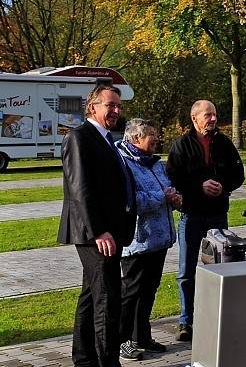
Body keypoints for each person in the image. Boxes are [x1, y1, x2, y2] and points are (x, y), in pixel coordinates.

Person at [58, 85, 136, 367]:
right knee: (107, 299)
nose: (116, 111)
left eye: (118, 106)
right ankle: (107, 362)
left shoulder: (106, 139)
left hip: (108, 231)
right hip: (95, 234)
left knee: (91, 296)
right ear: (93, 107)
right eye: (110, 105)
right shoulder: (80, 137)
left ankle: (84, 359)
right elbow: (80, 189)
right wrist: (98, 230)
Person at [166, 100, 245, 342]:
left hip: (217, 214)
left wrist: (224, 186)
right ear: (194, 119)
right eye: (207, 115)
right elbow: (172, 176)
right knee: (186, 270)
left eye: (215, 114)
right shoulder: (181, 145)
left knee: (221, 267)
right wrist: (198, 186)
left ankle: (219, 317)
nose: (213, 119)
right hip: (191, 214)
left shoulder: (224, 143)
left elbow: (238, 174)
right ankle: (185, 321)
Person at [115, 119, 183, 360]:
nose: (156, 139)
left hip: (159, 238)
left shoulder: (154, 162)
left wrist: (175, 198)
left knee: (149, 290)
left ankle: (142, 336)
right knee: (131, 292)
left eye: (156, 134)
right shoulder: (122, 162)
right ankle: (121, 341)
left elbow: (166, 189)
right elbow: (130, 201)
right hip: (137, 241)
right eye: (151, 136)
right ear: (135, 139)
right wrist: (162, 196)